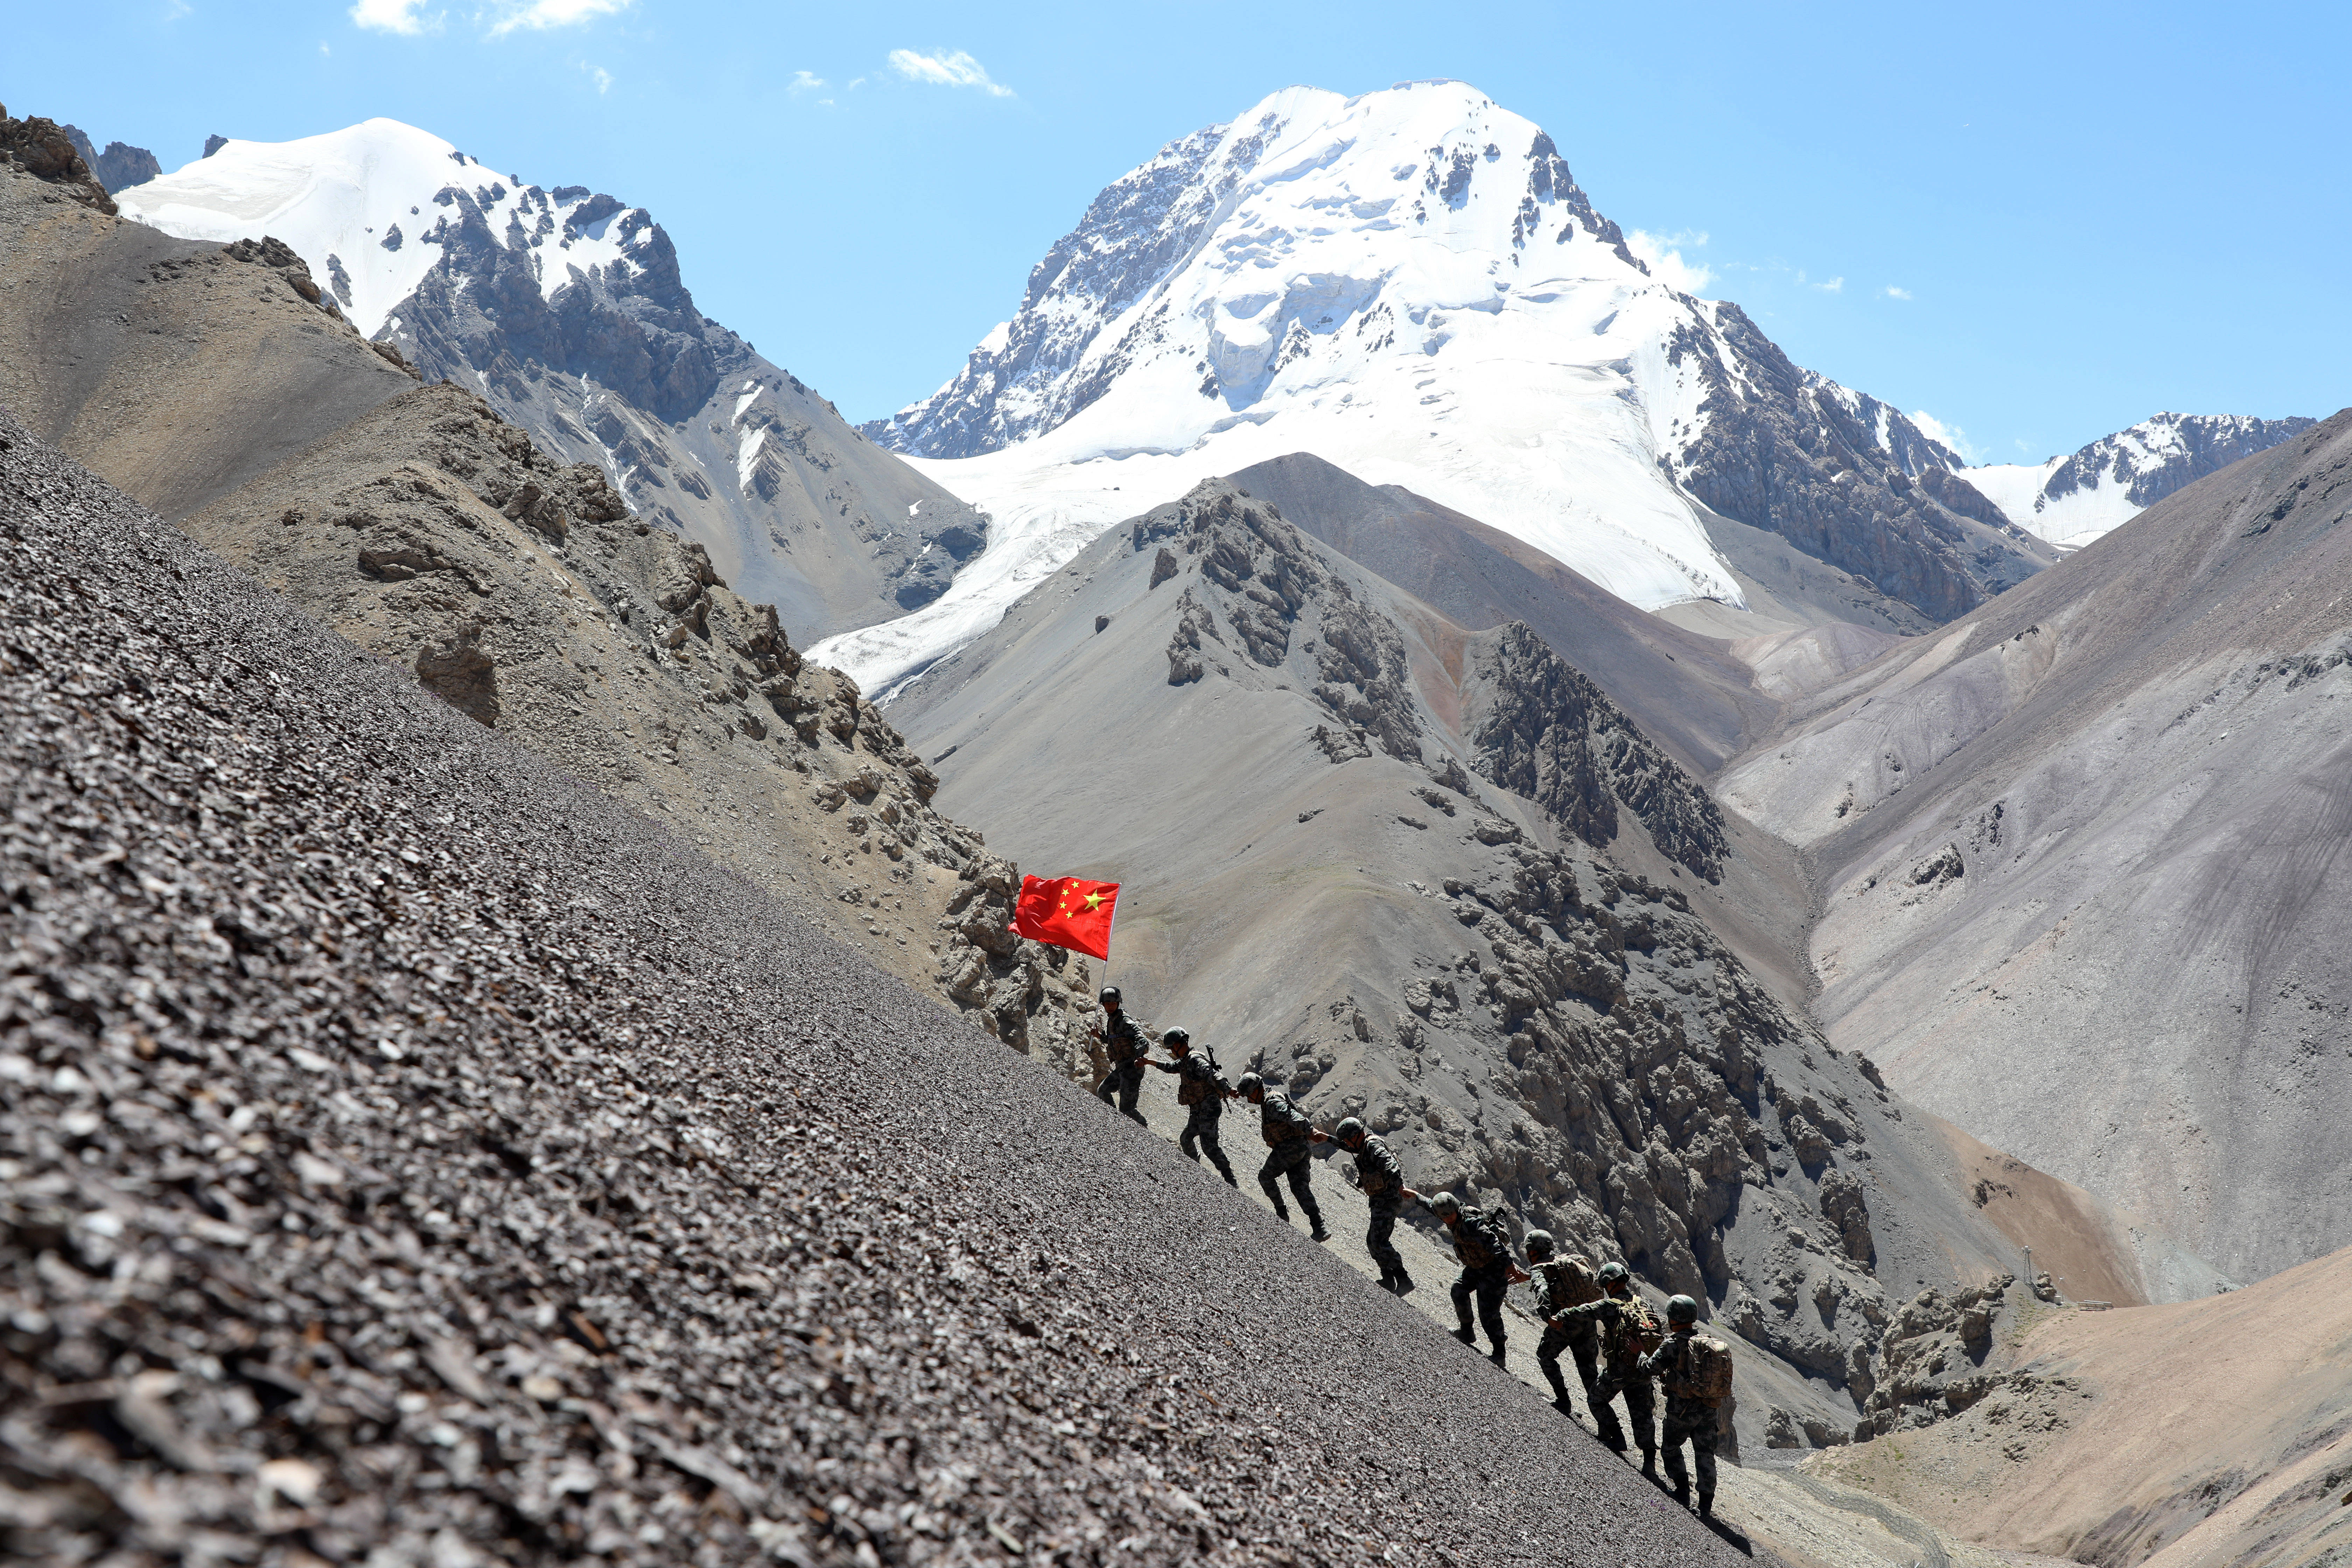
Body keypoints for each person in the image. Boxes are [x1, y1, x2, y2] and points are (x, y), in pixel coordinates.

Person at [1556, 1261, 1661, 1477]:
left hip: (1619, 1370)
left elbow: (1584, 1311)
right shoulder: (1644, 1305)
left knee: (1596, 1399)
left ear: (1607, 1283)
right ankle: (1649, 1464)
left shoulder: (1611, 1305)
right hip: (1643, 1369)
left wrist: (1560, 1315)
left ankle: (1616, 1437)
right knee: (1643, 1417)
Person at [1639, 1295, 1728, 1518]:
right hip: (1709, 1409)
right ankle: (1705, 1507)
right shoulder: (1704, 1342)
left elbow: (1651, 1368)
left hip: (1682, 1409)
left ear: (1673, 1317)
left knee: (1670, 1448)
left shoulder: (1674, 1343)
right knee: (1705, 1454)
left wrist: (1639, 1353)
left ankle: (1681, 1492)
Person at [1426, 1192, 1528, 1366]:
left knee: (1489, 1314)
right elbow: (1427, 1204)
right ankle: (1467, 1332)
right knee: (1458, 1290)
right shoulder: (1444, 1212)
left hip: (1494, 1271)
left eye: (1450, 1215)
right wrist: (1413, 1195)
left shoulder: (1470, 1223)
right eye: (1444, 1217)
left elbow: (1493, 1242)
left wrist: (1509, 1265)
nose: (1448, 1219)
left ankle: (1499, 1355)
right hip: (1476, 1267)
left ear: (1456, 1209)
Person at [1236, 1072, 1329, 1241]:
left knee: (1265, 1177)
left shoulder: (1271, 1102)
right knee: (1299, 1186)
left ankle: (1281, 1214)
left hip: (1290, 1148)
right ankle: (1319, 1227)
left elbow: (1292, 1116)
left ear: (1257, 1090)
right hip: (1302, 1148)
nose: (1250, 1100)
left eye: (1250, 1095)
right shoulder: (1270, 1099)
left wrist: (1310, 1130)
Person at [1331, 1117, 1417, 1294]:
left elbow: (1390, 1164)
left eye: (1348, 1139)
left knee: (1379, 1240)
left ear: (1355, 1136)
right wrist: (1325, 1138)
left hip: (1389, 1199)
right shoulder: (1361, 1146)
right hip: (1380, 1199)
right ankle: (1388, 1279)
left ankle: (1403, 1280)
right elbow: (1346, 1147)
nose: (1347, 1144)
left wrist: (1400, 1185)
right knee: (1372, 1240)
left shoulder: (1372, 1146)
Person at [1525, 1231, 1603, 1416]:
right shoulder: (1569, 1262)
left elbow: (1542, 1290)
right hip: (1588, 1321)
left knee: (1545, 1356)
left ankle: (1563, 1401)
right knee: (1589, 1372)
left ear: (1533, 1252)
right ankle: (1607, 1426)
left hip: (1565, 1322)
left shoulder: (1539, 1268)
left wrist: (1547, 1317)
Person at [1144, 1027, 1236, 1184]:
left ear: (1178, 1045)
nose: (1172, 1052)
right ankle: (1196, 1170)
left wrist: (1229, 1089)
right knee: (1186, 1138)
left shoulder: (1195, 1060)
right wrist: (1148, 1062)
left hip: (1209, 1108)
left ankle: (1230, 1179)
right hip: (1198, 1110)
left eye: (1172, 1048)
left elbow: (1212, 1074)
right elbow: (1170, 1067)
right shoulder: (1185, 1061)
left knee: (1209, 1146)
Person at [1091, 986, 1147, 1126]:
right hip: (1122, 1068)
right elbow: (1113, 1039)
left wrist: (1140, 1052)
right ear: (1103, 1005)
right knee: (1103, 1091)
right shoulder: (1112, 1020)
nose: (1110, 1007)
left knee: (1127, 1109)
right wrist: (1099, 1036)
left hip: (1132, 1070)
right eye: (1108, 1004)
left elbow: (1141, 1037)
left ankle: (1144, 1130)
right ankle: (1115, 1122)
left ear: (1118, 1004)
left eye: (1113, 1004)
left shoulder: (1124, 1020)